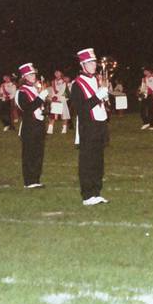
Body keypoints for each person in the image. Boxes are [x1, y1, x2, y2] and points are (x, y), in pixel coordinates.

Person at [71, 48, 110, 205]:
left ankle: (96, 191)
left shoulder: (96, 80)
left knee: (98, 160)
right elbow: (80, 109)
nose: (94, 65)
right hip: (88, 127)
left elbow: (98, 103)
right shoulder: (76, 84)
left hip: (100, 124)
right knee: (88, 160)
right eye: (91, 63)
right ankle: (87, 195)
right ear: (83, 65)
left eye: (94, 62)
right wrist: (97, 97)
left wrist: (105, 98)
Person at [15, 63, 48, 189]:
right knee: (29, 154)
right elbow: (27, 108)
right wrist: (40, 98)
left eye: (34, 74)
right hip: (29, 126)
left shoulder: (36, 89)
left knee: (39, 153)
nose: (33, 76)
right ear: (24, 76)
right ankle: (29, 180)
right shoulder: (21, 92)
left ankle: (36, 179)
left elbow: (40, 107)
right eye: (30, 74)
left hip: (39, 124)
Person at [47, 70, 70, 135]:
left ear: (61, 73)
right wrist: (52, 97)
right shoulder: (53, 82)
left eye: (58, 72)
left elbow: (62, 91)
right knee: (53, 115)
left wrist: (57, 97)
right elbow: (52, 90)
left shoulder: (63, 82)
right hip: (55, 100)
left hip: (62, 99)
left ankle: (64, 129)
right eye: (56, 73)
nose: (57, 74)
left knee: (64, 115)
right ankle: (50, 129)